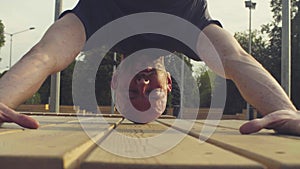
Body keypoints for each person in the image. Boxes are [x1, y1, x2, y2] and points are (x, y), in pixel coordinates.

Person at [0, 0, 299, 135]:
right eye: (152, 93)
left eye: (133, 91)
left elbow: (44, 57)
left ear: (115, 79)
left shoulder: (93, 16)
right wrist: (286, 111)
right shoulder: (191, 20)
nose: (143, 86)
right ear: (169, 82)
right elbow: (236, 60)